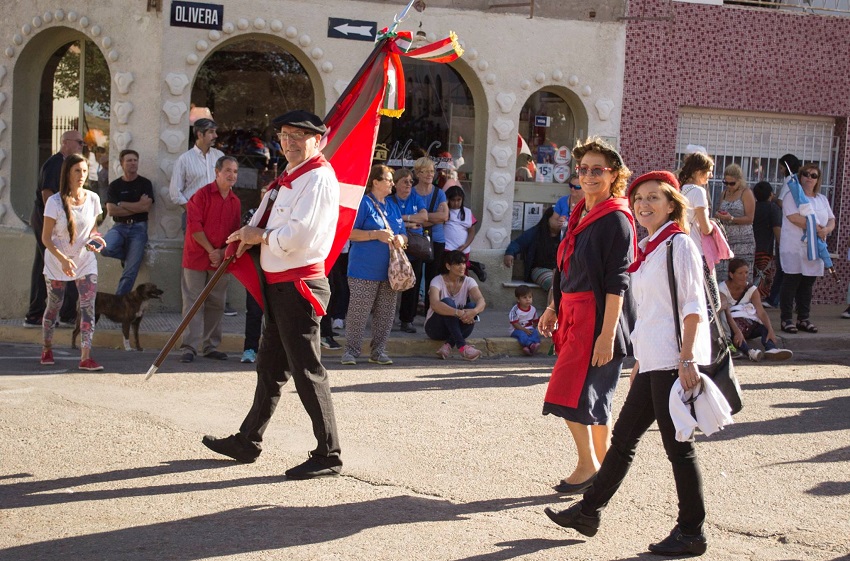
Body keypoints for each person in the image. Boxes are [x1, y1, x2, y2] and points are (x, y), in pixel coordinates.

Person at [544, 170, 711, 557]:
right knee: (622, 442)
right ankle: (588, 513)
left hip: (672, 362)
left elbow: (692, 306)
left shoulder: (678, 245)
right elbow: (652, 311)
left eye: (654, 198)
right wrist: (641, 358)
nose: (643, 205)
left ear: (672, 204)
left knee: (679, 449)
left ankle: (691, 532)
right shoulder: (652, 246)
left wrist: (686, 357)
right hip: (652, 361)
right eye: (639, 199)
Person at [202, 109, 344, 480]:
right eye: (284, 134)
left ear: (319, 140)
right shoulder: (289, 178)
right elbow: (265, 222)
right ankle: (248, 440)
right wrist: (245, 235)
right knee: (270, 368)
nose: (290, 141)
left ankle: (328, 454)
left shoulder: (317, 179)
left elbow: (299, 236)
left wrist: (259, 237)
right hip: (279, 284)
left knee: (307, 371)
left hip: (298, 286)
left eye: (299, 135)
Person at [537, 138, 636, 494]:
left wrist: (607, 335)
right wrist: (552, 305)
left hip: (599, 318)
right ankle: (604, 466)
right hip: (573, 312)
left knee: (567, 394)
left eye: (599, 170)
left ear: (614, 175)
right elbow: (563, 265)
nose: (590, 176)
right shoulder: (578, 211)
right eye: (584, 170)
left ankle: (588, 465)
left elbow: (617, 283)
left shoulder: (618, 220)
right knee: (593, 398)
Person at [40, 154, 106, 371]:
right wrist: (63, 259)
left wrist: (96, 239)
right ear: (67, 173)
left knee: (88, 307)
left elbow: (92, 230)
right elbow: (46, 238)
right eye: (77, 171)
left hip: (85, 261)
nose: (81, 176)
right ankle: (47, 347)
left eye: (85, 171)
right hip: (57, 261)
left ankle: (85, 356)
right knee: (54, 306)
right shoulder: (54, 202)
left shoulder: (93, 199)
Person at [340, 164, 408, 366]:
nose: (392, 183)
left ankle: (378, 351)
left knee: (386, 314)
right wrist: (374, 235)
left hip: (390, 271)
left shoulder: (393, 205)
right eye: (388, 179)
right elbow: (349, 232)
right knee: (358, 313)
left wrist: (401, 240)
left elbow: (403, 232)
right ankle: (350, 352)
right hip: (363, 269)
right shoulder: (363, 204)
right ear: (375, 182)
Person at [169, 118, 236, 317]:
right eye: (211, 132)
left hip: (220, 219)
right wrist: (194, 210)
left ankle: (221, 303)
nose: (216, 136)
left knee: (220, 259)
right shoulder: (185, 159)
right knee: (195, 262)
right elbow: (175, 192)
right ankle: (192, 306)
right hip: (194, 218)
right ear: (199, 134)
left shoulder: (220, 156)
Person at [178, 156, 241, 363]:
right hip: (197, 257)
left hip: (221, 260)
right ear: (217, 172)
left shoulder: (235, 201)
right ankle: (189, 347)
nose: (232, 175)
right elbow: (194, 227)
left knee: (217, 303)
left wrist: (222, 252)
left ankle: (210, 346)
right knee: (193, 303)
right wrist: (212, 250)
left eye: (235, 171)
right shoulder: (201, 195)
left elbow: (235, 232)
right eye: (228, 170)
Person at [24, 130, 84, 328]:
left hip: (52, 218)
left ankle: (35, 314)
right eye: (79, 142)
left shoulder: (66, 165)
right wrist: (59, 219)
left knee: (44, 265)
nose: (82, 146)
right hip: (47, 219)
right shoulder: (55, 163)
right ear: (65, 143)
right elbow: (47, 193)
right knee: (59, 264)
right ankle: (64, 314)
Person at [778, 163, 835, 334]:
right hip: (795, 247)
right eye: (806, 174)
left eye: (813, 175)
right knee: (791, 282)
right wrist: (816, 228)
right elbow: (793, 217)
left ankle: (803, 318)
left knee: (807, 284)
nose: (809, 178)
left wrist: (826, 229)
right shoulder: (792, 196)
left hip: (815, 247)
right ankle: (786, 319)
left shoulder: (822, 199)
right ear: (800, 176)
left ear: (818, 180)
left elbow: (831, 219)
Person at [100, 150, 154, 295]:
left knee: (130, 272)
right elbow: (111, 211)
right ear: (122, 163)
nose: (133, 163)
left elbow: (146, 207)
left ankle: (118, 302)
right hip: (119, 227)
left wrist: (121, 203)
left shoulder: (145, 184)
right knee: (104, 248)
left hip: (139, 229)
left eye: (135, 160)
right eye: (129, 160)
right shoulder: (115, 185)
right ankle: (128, 256)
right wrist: (137, 206)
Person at [720, 258, 793, 362]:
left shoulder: (751, 289)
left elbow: (761, 312)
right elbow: (726, 313)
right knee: (735, 334)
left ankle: (771, 349)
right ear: (731, 275)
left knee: (764, 327)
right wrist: (737, 332)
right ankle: (749, 352)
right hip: (731, 325)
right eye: (740, 273)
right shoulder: (722, 288)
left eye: (746, 272)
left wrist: (770, 329)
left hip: (747, 324)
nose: (744, 276)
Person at [679, 152, 722, 320]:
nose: (710, 175)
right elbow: (705, 228)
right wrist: (715, 227)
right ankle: (698, 335)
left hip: (685, 251)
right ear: (698, 172)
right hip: (700, 253)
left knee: (691, 299)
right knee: (712, 302)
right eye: (709, 171)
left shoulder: (681, 190)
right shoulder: (698, 191)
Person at [425, 250, 486, 360]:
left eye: (463, 263)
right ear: (448, 266)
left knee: (472, 306)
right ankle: (463, 347)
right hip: (435, 328)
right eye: (458, 264)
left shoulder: (469, 281)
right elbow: (435, 304)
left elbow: (481, 300)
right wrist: (457, 312)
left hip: (457, 328)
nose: (462, 267)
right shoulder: (437, 281)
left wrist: (474, 311)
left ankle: (447, 345)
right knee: (448, 302)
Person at [393, 168, 428, 333]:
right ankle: (388, 319)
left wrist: (403, 219)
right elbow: (390, 222)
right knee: (391, 283)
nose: (409, 185)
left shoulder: (416, 197)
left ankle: (407, 320)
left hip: (415, 248)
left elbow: (424, 218)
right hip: (395, 247)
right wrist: (409, 224)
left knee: (412, 285)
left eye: (410, 182)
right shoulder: (390, 199)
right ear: (396, 183)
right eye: (405, 181)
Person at [413, 157, 449, 313]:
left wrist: (423, 218)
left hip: (437, 241)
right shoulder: (412, 193)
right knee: (414, 278)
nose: (430, 174)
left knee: (433, 279)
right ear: (417, 173)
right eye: (426, 171)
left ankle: (431, 312)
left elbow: (444, 217)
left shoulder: (439, 193)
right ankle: (409, 316)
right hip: (415, 240)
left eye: (432, 171)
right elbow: (409, 216)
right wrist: (433, 217)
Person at [766, 154, 801, 307]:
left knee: (783, 267)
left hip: (786, 229)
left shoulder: (790, 181)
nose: (780, 171)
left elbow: (781, 203)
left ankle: (774, 299)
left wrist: (770, 198)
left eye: (781, 168)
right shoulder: (796, 180)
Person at [503, 206, 561, 291]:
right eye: (557, 219)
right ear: (548, 219)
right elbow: (518, 243)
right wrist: (509, 253)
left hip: (560, 270)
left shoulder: (566, 235)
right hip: (539, 269)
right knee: (555, 285)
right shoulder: (536, 232)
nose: (561, 222)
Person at [714, 164, 755, 282]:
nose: (729, 186)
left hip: (743, 242)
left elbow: (750, 218)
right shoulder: (724, 194)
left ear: (739, 181)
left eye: (732, 183)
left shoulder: (746, 193)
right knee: (723, 274)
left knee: (741, 274)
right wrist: (719, 216)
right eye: (725, 183)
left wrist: (731, 218)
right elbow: (718, 211)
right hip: (726, 241)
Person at [751, 181, 782, 302]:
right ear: (771, 194)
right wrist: (781, 246)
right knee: (762, 276)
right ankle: (757, 302)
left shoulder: (753, 206)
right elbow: (777, 229)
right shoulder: (773, 208)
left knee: (752, 275)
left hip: (750, 246)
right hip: (765, 249)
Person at [509, 284, 541, 356]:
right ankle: (530, 345)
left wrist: (534, 327)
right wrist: (524, 330)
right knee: (522, 335)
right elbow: (515, 323)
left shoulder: (533, 309)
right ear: (518, 299)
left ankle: (531, 347)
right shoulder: (515, 310)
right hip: (516, 329)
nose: (528, 299)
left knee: (535, 333)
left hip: (529, 328)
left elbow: (535, 321)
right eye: (524, 297)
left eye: (530, 297)